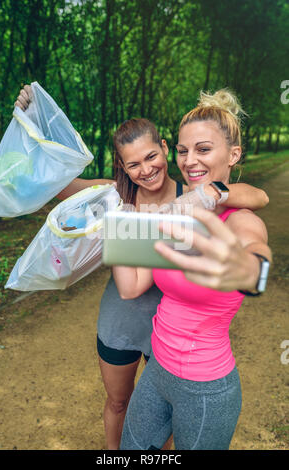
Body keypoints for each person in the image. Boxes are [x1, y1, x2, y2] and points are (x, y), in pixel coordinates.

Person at [15, 86, 269, 449]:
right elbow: (60, 187)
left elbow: (255, 198)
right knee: (122, 404)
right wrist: (35, 122)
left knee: (159, 428)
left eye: (153, 156)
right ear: (123, 166)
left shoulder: (192, 198)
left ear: (164, 149)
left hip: (166, 336)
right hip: (127, 321)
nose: (146, 169)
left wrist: (249, 266)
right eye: (133, 164)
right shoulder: (116, 196)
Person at [112, 89, 272, 450]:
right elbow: (130, 286)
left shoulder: (238, 220)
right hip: (155, 374)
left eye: (203, 149)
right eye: (183, 151)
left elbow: (254, 254)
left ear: (233, 155)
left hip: (205, 388)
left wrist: (251, 272)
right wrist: (115, 231)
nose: (189, 160)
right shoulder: (179, 216)